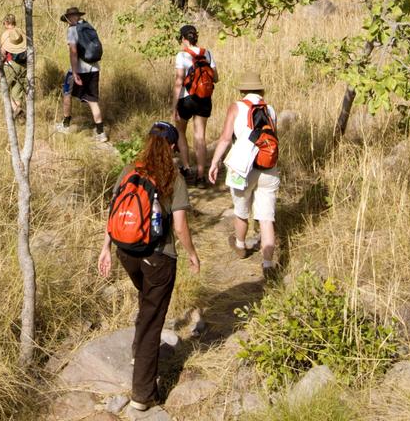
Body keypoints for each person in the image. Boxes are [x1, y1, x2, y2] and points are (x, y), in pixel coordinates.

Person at [98, 122, 200, 411]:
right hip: (158, 257)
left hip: (126, 252)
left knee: (147, 303)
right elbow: (180, 227)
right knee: (154, 317)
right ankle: (143, 394)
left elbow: (113, 210)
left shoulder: (129, 170)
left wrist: (105, 248)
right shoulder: (173, 176)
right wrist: (192, 253)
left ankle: (136, 353)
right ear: (171, 146)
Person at [207, 75, 280, 279]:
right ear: (261, 91)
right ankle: (267, 264)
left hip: (243, 168)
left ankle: (240, 245)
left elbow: (224, 138)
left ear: (243, 91)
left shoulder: (236, 107)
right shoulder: (270, 109)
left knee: (241, 211)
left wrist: (215, 162)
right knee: (266, 218)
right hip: (268, 167)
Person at [171, 24, 217, 184]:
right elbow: (216, 77)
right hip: (204, 99)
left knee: (181, 132)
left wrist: (174, 105)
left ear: (183, 39)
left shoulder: (182, 56)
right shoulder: (208, 53)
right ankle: (201, 175)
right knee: (200, 136)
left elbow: (179, 81)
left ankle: (186, 168)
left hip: (186, 98)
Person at [55, 6, 106, 142]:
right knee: (93, 100)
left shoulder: (72, 30)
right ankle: (101, 133)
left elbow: (73, 52)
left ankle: (66, 124)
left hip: (78, 70)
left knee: (67, 93)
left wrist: (75, 72)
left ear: (70, 18)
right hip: (94, 68)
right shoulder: (88, 27)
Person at [0, 14, 27, 117]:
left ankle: (13, 111)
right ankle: (18, 112)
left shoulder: (6, 34)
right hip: (24, 65)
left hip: (11, 65)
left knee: (4, 88)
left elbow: (2, 53)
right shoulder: (21, 32)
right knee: (17, 91)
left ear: (6, 23)